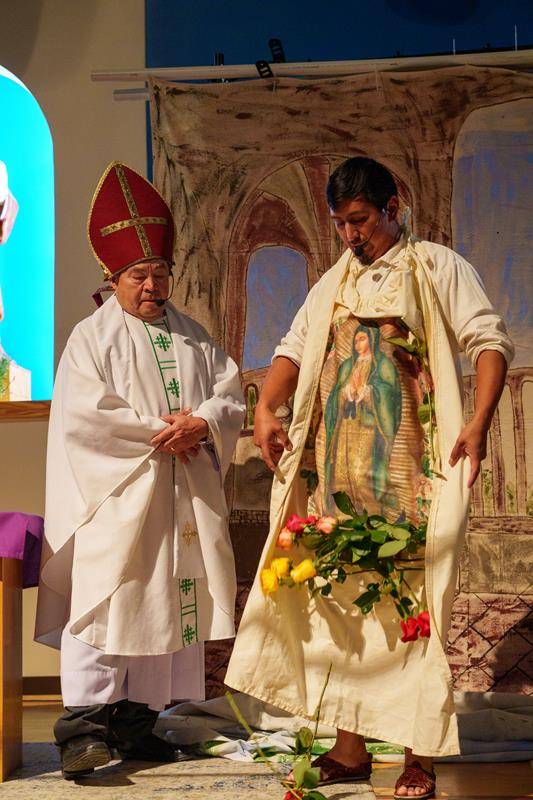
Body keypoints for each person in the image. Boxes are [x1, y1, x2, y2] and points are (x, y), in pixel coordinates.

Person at [226, 157, 513, 799]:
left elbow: (488, 340)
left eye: (360, 220)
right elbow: (293, 347)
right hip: (338, 481)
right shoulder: (333, 282)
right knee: (342, 606)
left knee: (415, 610)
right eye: (341, 224)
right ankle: (350, 749)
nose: (351, 235)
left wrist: (480, 421)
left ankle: (419, 755)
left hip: (413, 479)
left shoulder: (435, 267)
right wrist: (267, 408)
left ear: (393, 208)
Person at [35, 162, 245, 779]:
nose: (152, 286)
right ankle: (82, 730)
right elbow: (86, 416)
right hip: (116, 497)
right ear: (113, 277)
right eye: (138, 275)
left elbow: (229, 393)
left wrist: (202, 421)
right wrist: (163, 431)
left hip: (180, 498)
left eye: (160, 273)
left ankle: (137, 724)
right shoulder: (90, 339)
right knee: (107, 600)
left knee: (164, 601)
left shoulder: (193, 337)